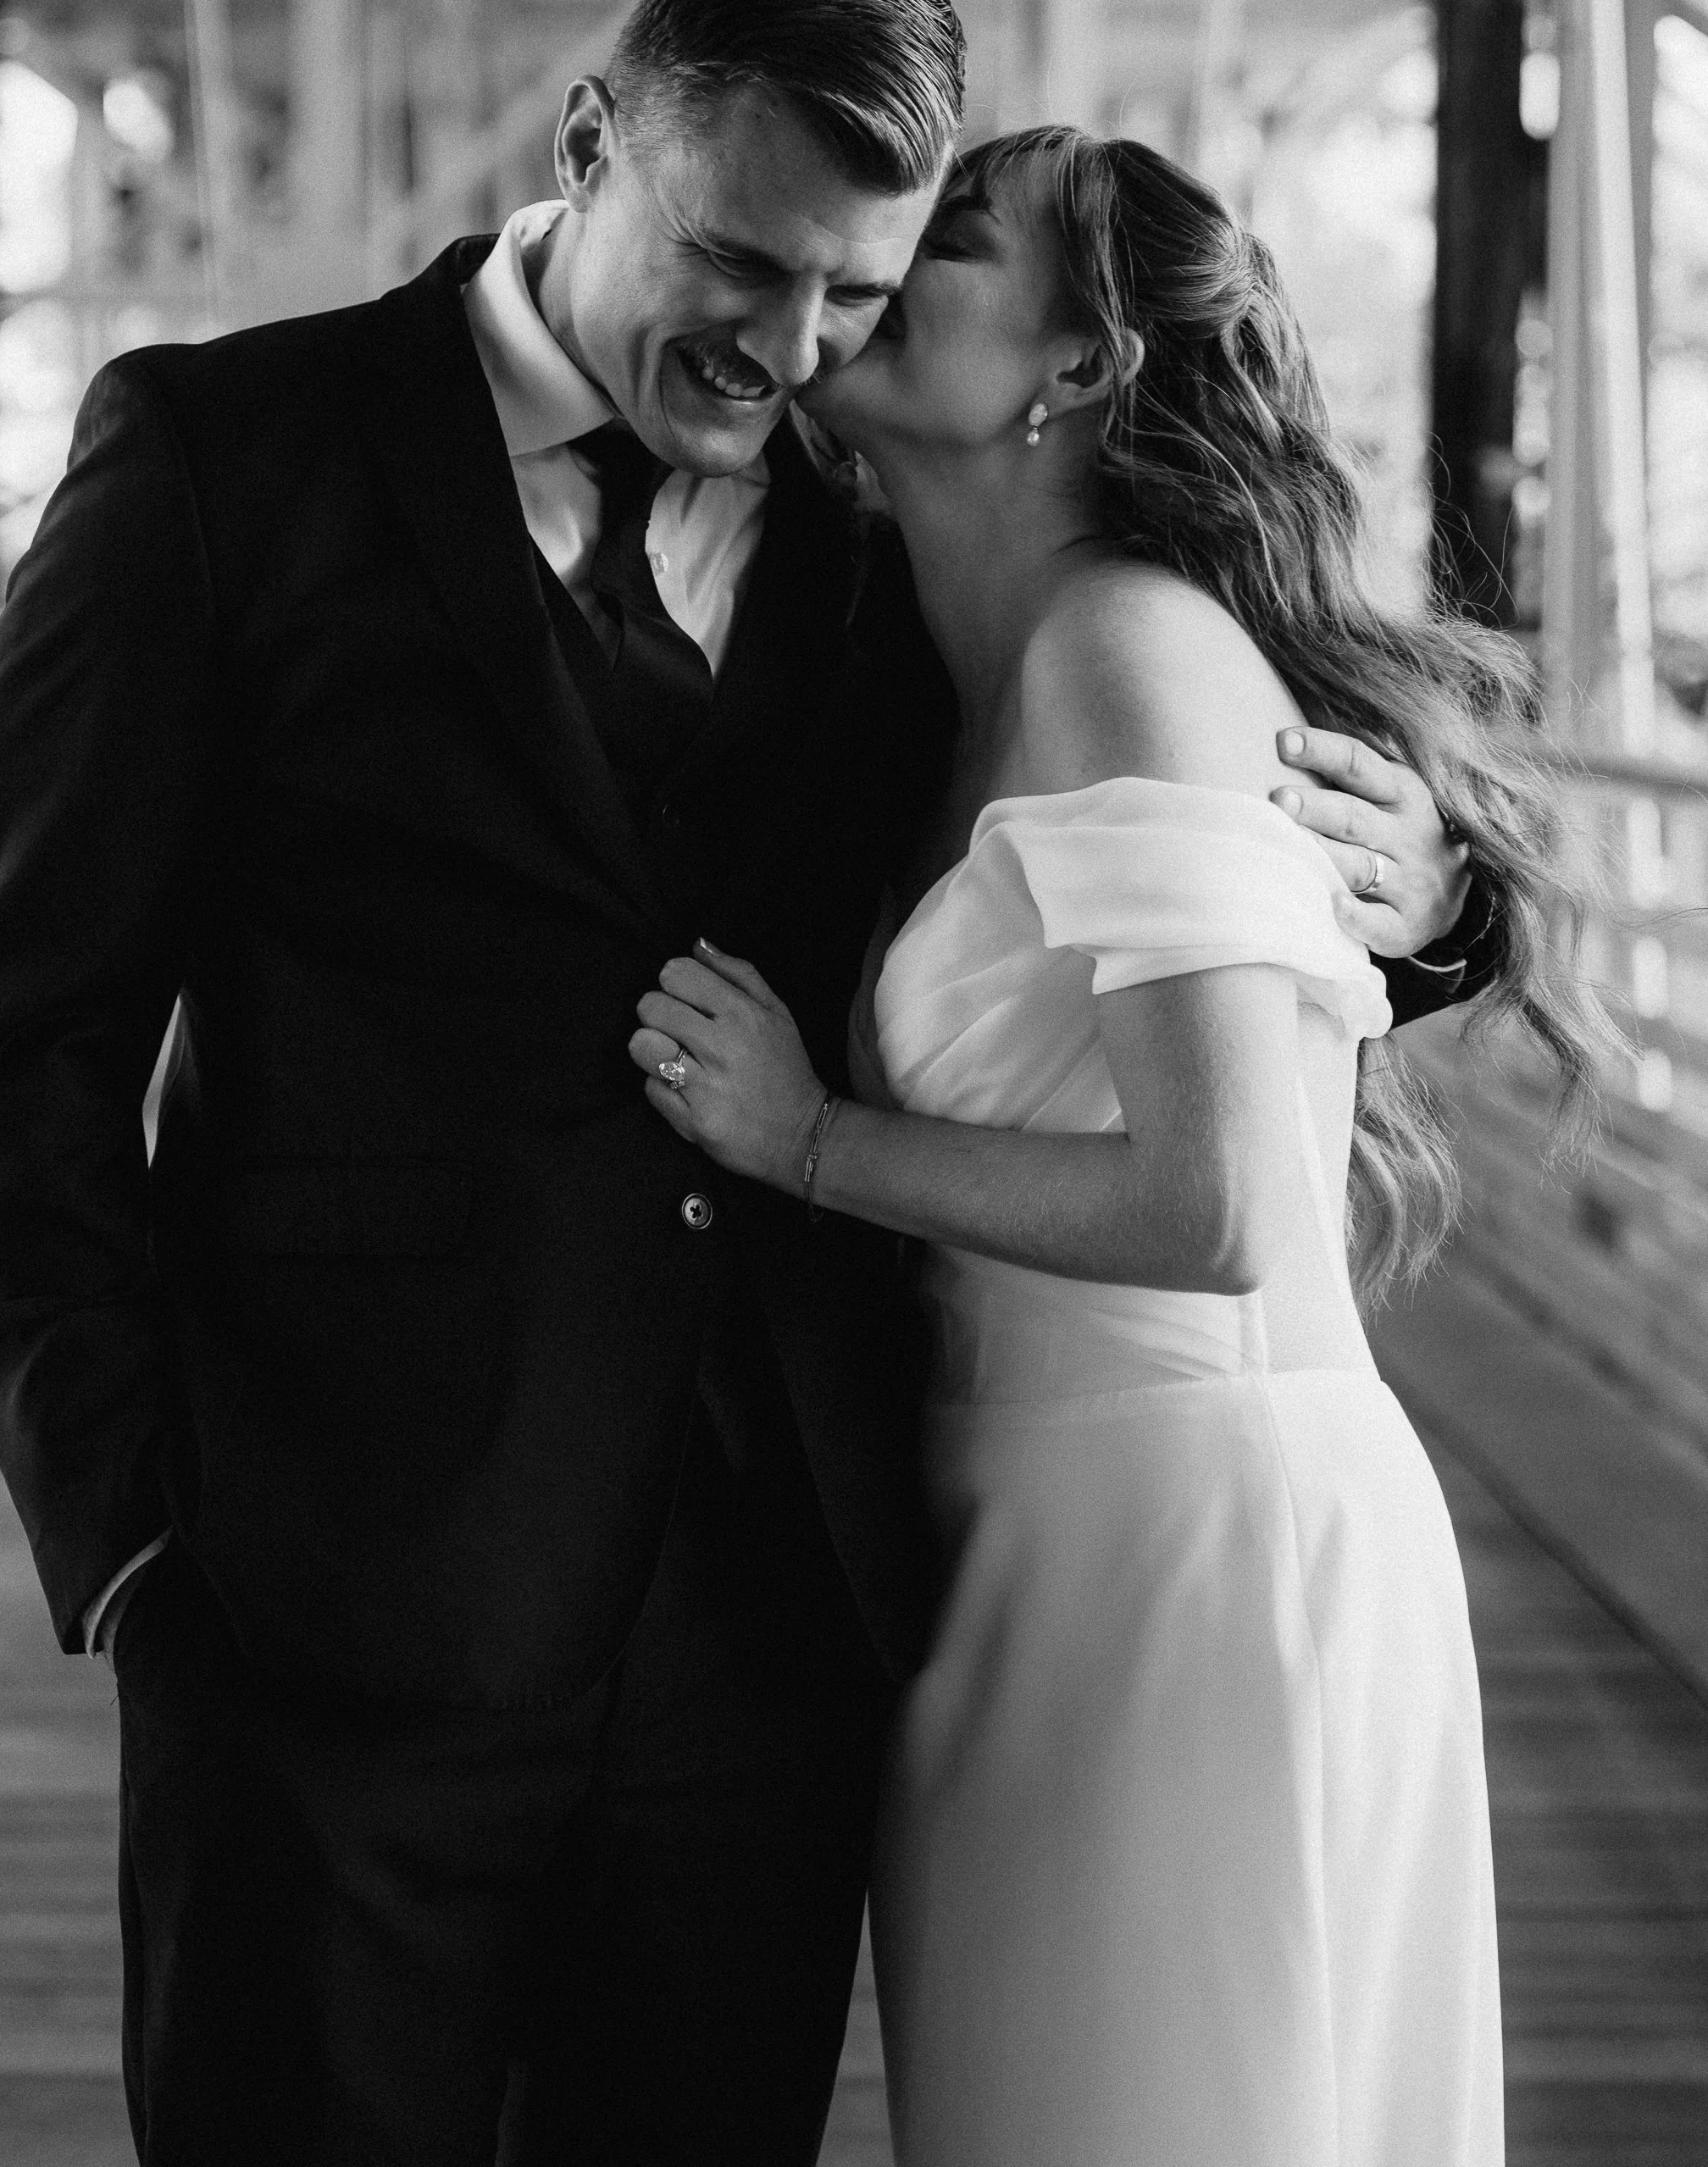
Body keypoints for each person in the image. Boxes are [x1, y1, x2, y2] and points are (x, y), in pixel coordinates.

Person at [0, 0, 1484, 2167]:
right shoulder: (224, 461)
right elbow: (25, 1053)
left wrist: (1428, 894)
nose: (787, 346)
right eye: (742, 264)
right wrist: (138, 1553)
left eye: (854, 295)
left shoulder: (889, 543)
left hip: (768, 1656)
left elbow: (1148, 864)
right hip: (324, 1630)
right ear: (593, 136)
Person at [633, 122, 1604, 2167]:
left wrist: (809, 1137)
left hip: (1190, 1531)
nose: (889, 268)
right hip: (1019, 1540)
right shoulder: (930, 662)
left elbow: (1230, 1198)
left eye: (956, 239)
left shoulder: (1120, 649)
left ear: (1075, 370)